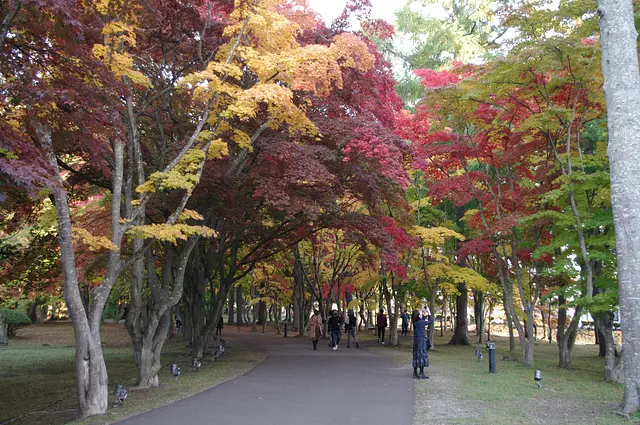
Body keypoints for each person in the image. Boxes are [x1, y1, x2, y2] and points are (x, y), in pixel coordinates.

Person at [412, 308, 433, 379]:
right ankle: (421, 373)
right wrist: (429, 312)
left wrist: (424, 312)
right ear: (418, 316)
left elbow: (422, 320)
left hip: (416, 341)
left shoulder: (415, 322)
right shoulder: (420, 322)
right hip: (422, 341)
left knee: (416, 356)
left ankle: (415, 373)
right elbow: (431, 321)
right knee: (422, 356)